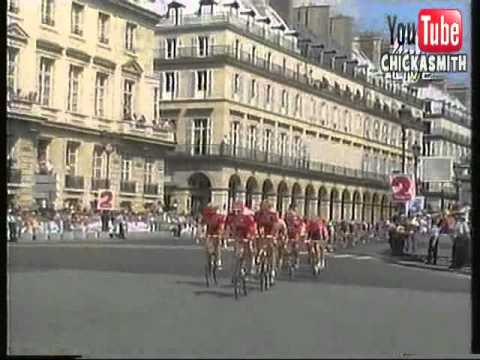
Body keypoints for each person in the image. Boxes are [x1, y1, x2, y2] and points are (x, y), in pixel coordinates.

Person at [225, 201, 257, 276]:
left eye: (238, 211)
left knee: (249, 249)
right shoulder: (231, 216)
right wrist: (227, 237)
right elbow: (228, 227)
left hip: (247, 233)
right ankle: (235, 269)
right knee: (236, 251)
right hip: (237, 234)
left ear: (242, 210)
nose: (236, 213)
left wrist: (250, 237)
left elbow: (252, 228)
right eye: (234, 211)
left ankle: (251, 265)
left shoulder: (248, 216)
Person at [254, 200, 280, 282]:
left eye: (265, 207)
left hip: (271, 232)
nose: (263, 208)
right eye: (262, 206)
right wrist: (254, 233)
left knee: (271, 249)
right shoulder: (258, 214)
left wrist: (273, 236)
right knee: (258, 246)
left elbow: (275, 226)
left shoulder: (273, 214)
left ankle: (272, 270)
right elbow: (254, 224)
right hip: (261, 232)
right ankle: (258, 262)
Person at [201, 204, 226, 269]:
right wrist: (201, 233)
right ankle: (208, 261)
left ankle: (218, 260)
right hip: (209, 233)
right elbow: (202, 225)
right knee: (207, 247)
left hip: (217, 233)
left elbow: (221, 227)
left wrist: (220, 234)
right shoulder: (206, 216)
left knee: (218, 246)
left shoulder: (220, 217)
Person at [284, 205, 305, 269]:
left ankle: (295, 261)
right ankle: (289, 260)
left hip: (295, 233)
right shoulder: (287, 216)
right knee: (288, 247)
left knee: (295, 247)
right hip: (288, 232)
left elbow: (301, 224)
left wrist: (301, 231)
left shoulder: (297, 217)